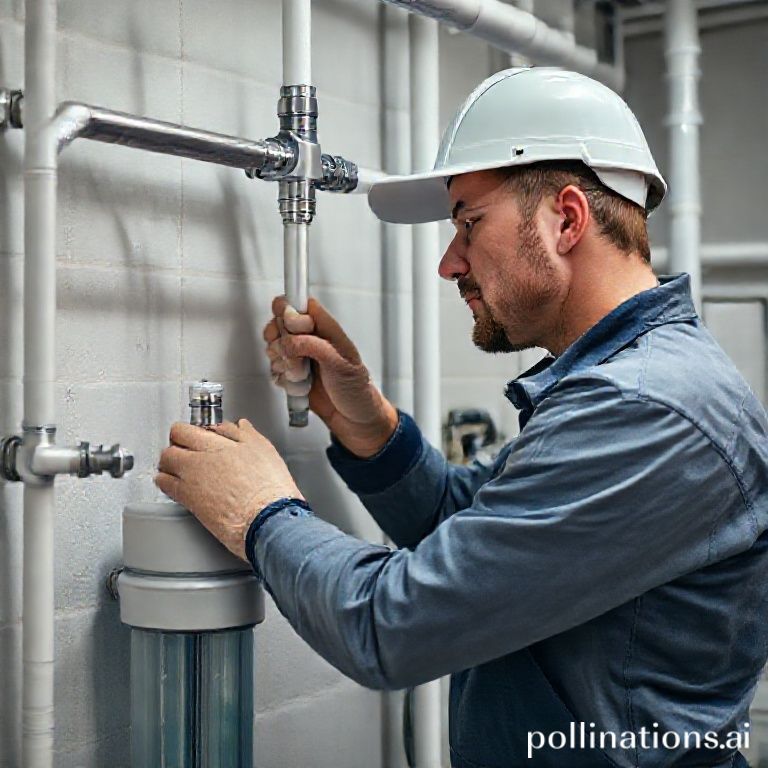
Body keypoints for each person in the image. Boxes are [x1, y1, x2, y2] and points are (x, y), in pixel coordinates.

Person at [155, 68, 768, 768]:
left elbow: (392, 626)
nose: (450, 263)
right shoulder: (620, 384)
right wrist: (371, 427)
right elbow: (476, 533)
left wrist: (261, 513)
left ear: (566, 219)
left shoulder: (644, 408)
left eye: (470, 223)